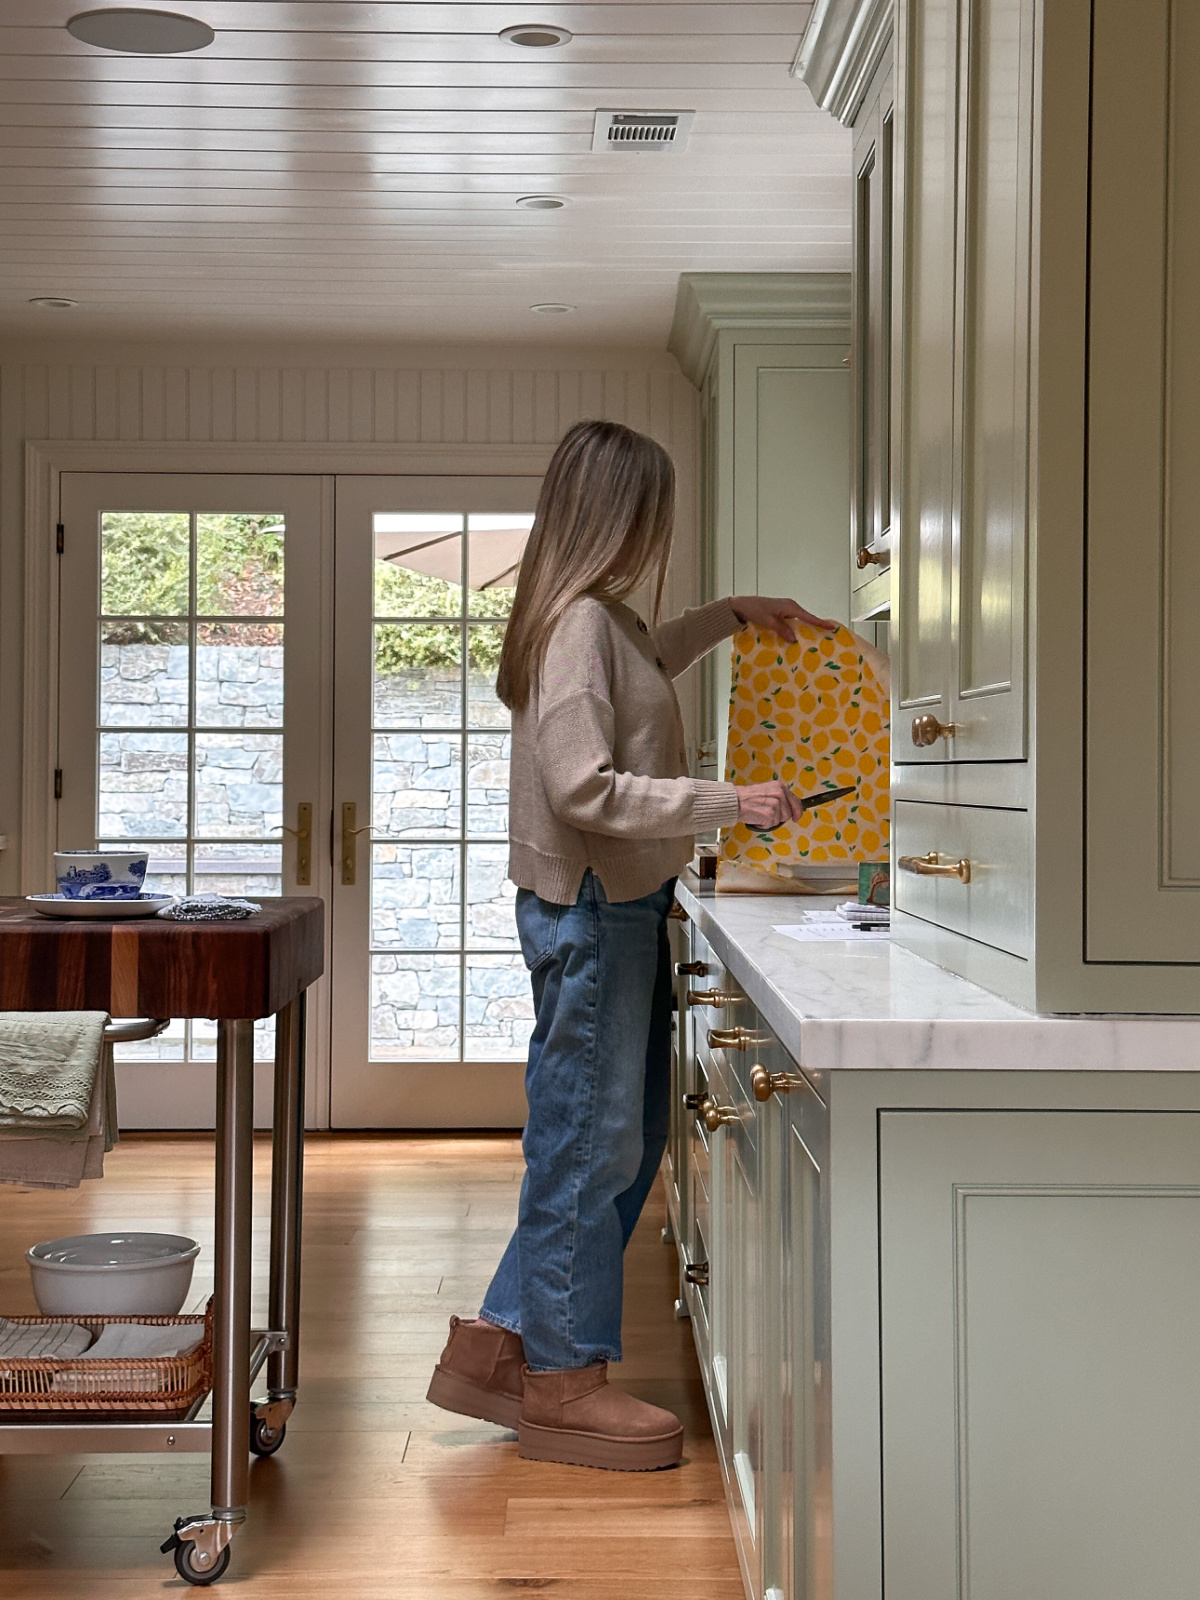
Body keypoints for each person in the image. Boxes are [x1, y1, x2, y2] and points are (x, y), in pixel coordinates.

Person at [427, 419, 834, 1471]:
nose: (663, 528)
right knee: (590, 1145)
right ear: (619, 513)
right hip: (596, 910)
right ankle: (562, 1384)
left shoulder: (601, 620)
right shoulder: (577, 624)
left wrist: (731, 614)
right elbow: (584, 787)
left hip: (615, 909)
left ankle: (505, 1347)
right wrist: (727, 801)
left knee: (619, 1137)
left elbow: (648, 662)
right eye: (654, 509)